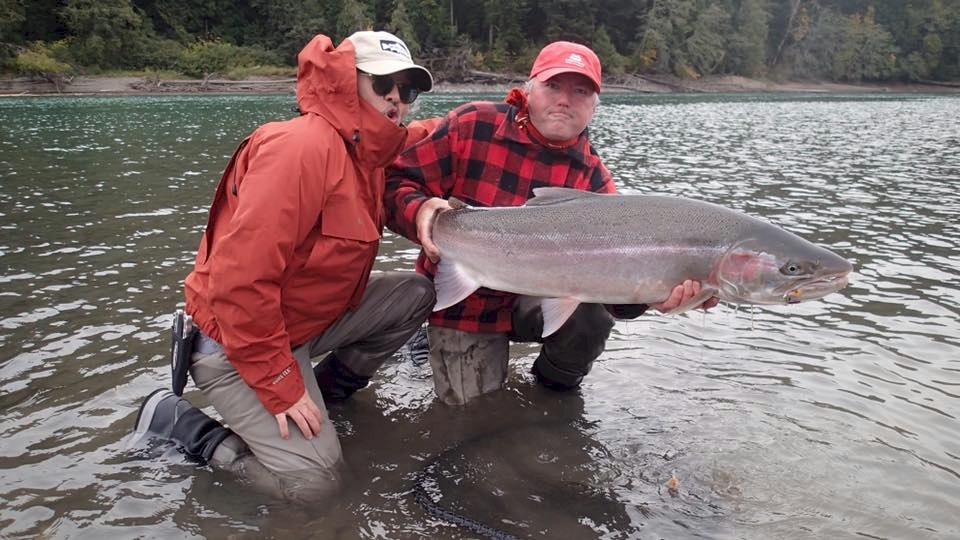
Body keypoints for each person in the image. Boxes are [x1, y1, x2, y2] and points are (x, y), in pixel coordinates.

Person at [130, 30, 437, 503]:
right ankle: (186, 430)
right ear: (345, 82)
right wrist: (282, 388)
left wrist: (494, 116)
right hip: (235, 345)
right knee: (315, 486)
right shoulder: (300, 149)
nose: (397, 99)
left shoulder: (371, 152)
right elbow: (238, 286)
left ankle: (330, 394)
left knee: (415, 294)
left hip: (302, 324)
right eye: (383, 84)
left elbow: (426, 132)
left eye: (408, 90)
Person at [384, 41, 718, 406]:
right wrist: (418, 212)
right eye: (554, 86)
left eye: (580, 91)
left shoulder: (594, 180)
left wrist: (655, 295)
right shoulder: (472, 125)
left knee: (589, 318)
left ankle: (553, 392)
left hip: (535, 300)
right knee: (471, 419)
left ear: (594, 105)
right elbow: (394, 184)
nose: (564, 100)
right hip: (465, 303)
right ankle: (427, 338)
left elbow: (614, 294)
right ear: (529, 89)